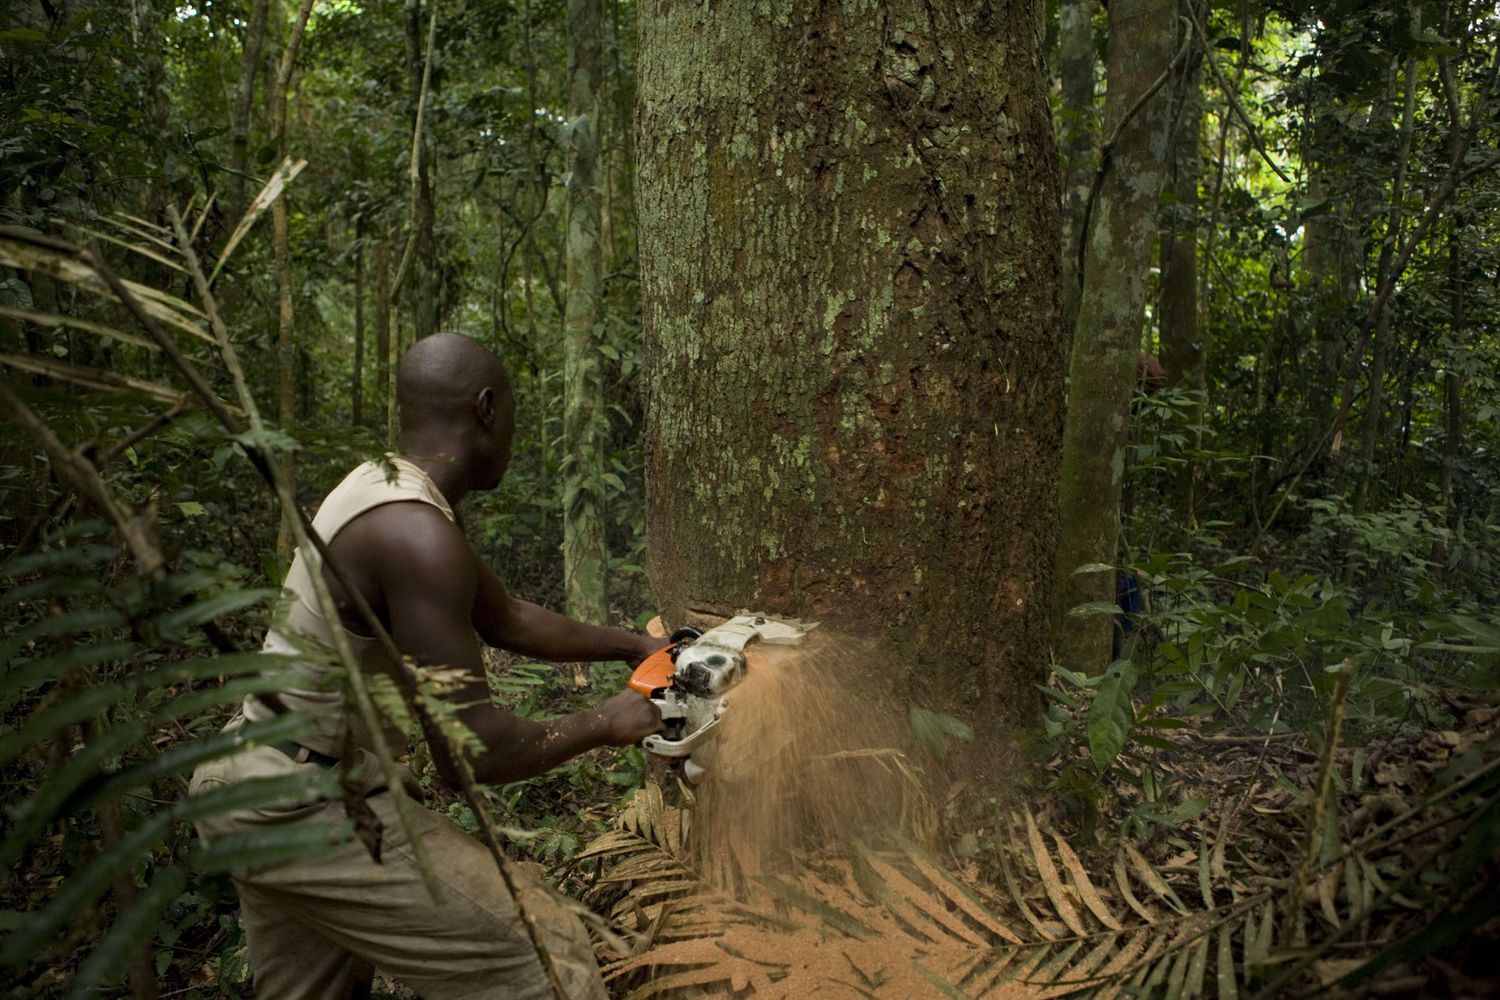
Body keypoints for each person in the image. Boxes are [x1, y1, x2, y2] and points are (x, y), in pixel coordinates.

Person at [189, 332, 666, 1000]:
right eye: (515, 421)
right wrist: (604, 721)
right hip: (307, 803)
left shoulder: (388, 492)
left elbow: (508, 619)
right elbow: (472, 756)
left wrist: (637, 647)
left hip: (254, 781)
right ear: (487, 408)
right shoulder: (415, 534)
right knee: (548, 953)